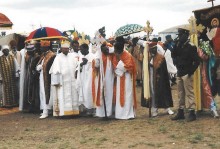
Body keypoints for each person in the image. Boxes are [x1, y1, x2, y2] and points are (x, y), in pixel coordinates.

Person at [171, 27, 200, 122]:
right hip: (179, 71)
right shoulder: (178, 44)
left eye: (181, 35)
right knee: (180, 93)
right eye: (179, 35)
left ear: (185, 35)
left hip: (187, 72)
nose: (179, 37)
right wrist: (175, 61)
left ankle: (192, 112)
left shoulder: (191, 46)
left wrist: (190, 72)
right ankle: (180, 111)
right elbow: (173, 54)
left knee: (189, 93)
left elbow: (197, 61)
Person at [49, 40, 79, 117]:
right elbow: (55, 70)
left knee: (73, 96)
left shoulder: (72, 56)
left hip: (72, 80)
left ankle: (73, 112)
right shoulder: (58, 58)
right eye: (64, 49)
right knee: (63, 97)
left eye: (67, 49)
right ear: (61, 49)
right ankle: (63, 113)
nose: (66, 50)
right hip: (63, 82)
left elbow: (76, 66)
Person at [112, 38, 137, 119]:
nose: (115, 51)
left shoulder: (127, 55)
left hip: (127, 78)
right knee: (119, 94)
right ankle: (120, 114)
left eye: (116, 49)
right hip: (120, 77)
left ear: (120, 49)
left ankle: (128, 114)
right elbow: (115, 66)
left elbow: (129, 67)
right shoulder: (116, 56)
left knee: (127, 94)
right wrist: (119, 68)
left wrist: (120, 63)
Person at [93, 42, 115, 118]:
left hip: (111, 79)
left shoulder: (111, 55)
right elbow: (96, 65)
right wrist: (97, 60)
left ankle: (108, 113)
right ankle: (101, 113)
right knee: (102, 94)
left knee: (109, 94)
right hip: (101, 79)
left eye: (107, 49)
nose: (106, 51)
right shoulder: (99, 55)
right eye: (105, 49)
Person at [36, 40, 56, 119]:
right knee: (42, 93)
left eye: (42, 47)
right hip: (42, 76)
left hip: (48, 77)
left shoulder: (52, 55)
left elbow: (51, 67)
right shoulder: (43, 55)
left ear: (46, 47)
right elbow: (39, 64)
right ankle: (45, 109)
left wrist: (43, 67)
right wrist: (38, 67)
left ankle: (46, 111)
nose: (41, 48)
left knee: (46, 93)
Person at [20, 42, 41, 113]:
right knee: (29, 91)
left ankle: (35, 107)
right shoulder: (29, 57)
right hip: (29, 77)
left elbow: (38, 68)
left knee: (35, 92)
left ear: (33, 51)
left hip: (35, 78)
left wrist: (34, 73)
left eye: (29, 51)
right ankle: (30, 107)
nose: (28, 53)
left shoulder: (38, 57)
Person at [76, 43, 95, 116]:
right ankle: (87, 109)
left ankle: (93, 110)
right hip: (83, 78)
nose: (80, 51)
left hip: (90, 78)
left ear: (86, 49)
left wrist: (87, 63)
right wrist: (81, 64)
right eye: (80, 49)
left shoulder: (92, 56)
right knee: (84, 93)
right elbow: (79, 67)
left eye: (82, 49)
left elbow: (94, 67)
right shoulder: (81, 57)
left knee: (89, 92)